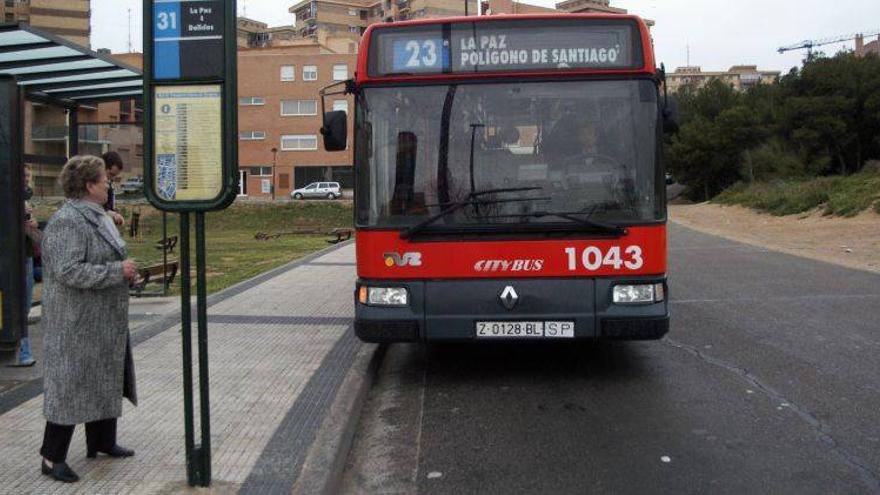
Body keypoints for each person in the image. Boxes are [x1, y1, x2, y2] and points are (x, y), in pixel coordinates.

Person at [39, 155, 139, 483]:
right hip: (76, 323)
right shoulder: (69, 220)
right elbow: (67, 270)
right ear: (89, 185)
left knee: (104, 378)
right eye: (104, 180)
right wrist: (116, 272)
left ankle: (101, 440)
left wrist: (126, 274)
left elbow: (113, 255)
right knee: (70, 388)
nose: (109, 183)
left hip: (101, 319)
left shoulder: (97, 215)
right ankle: (51, 458)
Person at [13, 165, 38, 367]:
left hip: (26, 253)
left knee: (25, 304)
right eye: (23, 175)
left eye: (28, 175)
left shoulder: (25, 199)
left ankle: (21, 350)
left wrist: (31, 222)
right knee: (19, 305)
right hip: (13, 256)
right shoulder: (10, 198)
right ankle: (22, 351)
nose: (26, 179)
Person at [100, 151, 125, 226]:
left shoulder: (109, 187)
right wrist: (112, 214)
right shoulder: (93, 189)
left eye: (115, 176)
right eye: (111, 174)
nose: (112, 179)